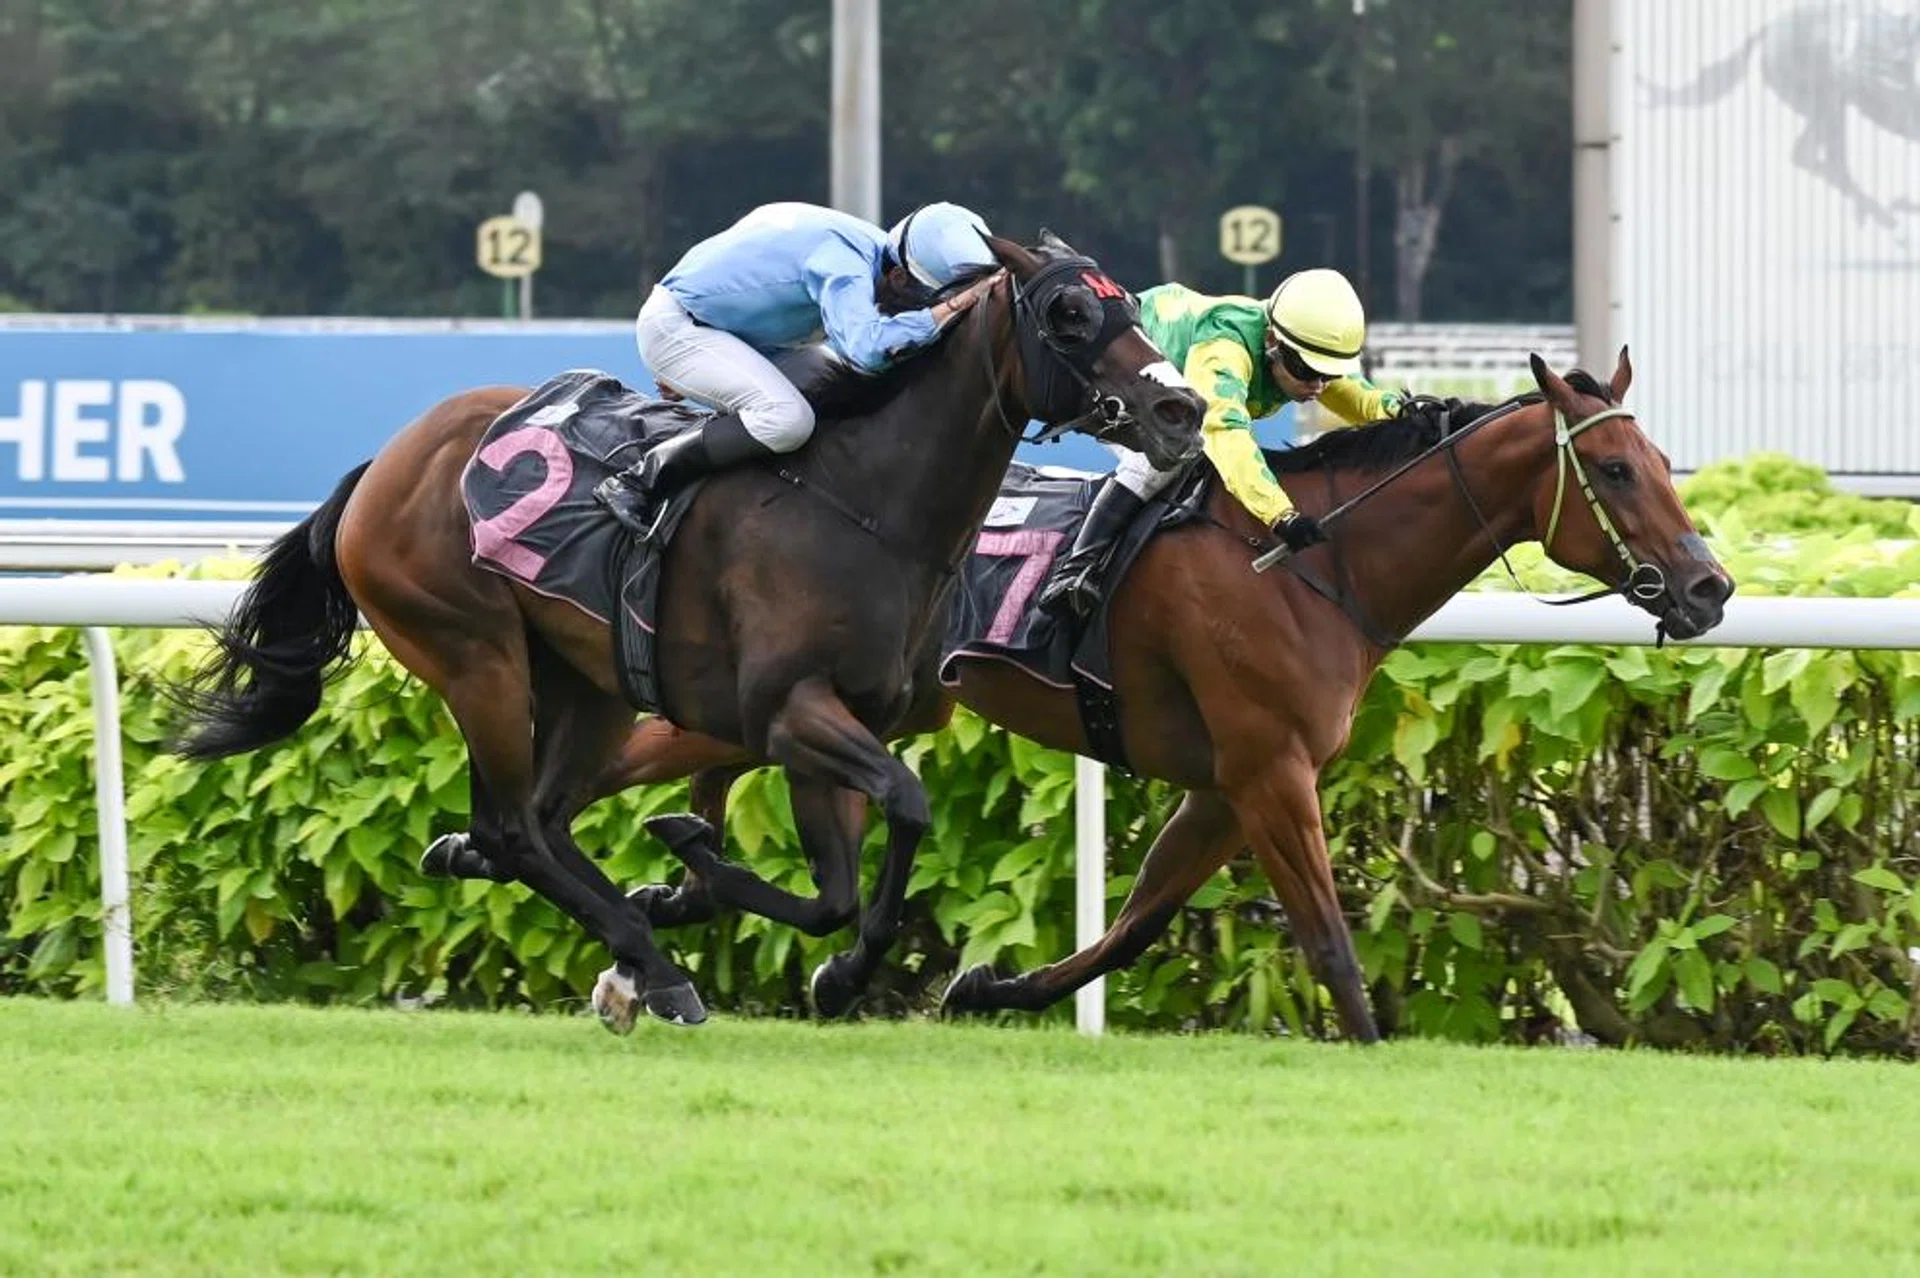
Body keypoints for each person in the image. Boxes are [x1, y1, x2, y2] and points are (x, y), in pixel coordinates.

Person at [595, 200, 1002, 534]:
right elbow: (868, 350)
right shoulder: (844, 261)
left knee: (848, 392)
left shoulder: (873, 253)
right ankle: (641, 478)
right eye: (927, 303)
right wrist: (953, 307)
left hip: (739, 337)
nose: (929, 312)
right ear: (897, 277)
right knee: (788, 421)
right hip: (680, 328)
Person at [1037, 267, 1409, 617]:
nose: (1318, 385)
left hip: (1170, 385)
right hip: (1111, 369)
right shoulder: (1224, 349)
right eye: (1308, 371)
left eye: (1327, 374)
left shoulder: (1294, 344)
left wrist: (1400, 410)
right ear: (1271, 341)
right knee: (1169, 454)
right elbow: (1224, 432)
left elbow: (1353, 393)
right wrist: (1281, 515)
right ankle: (1074, 570)